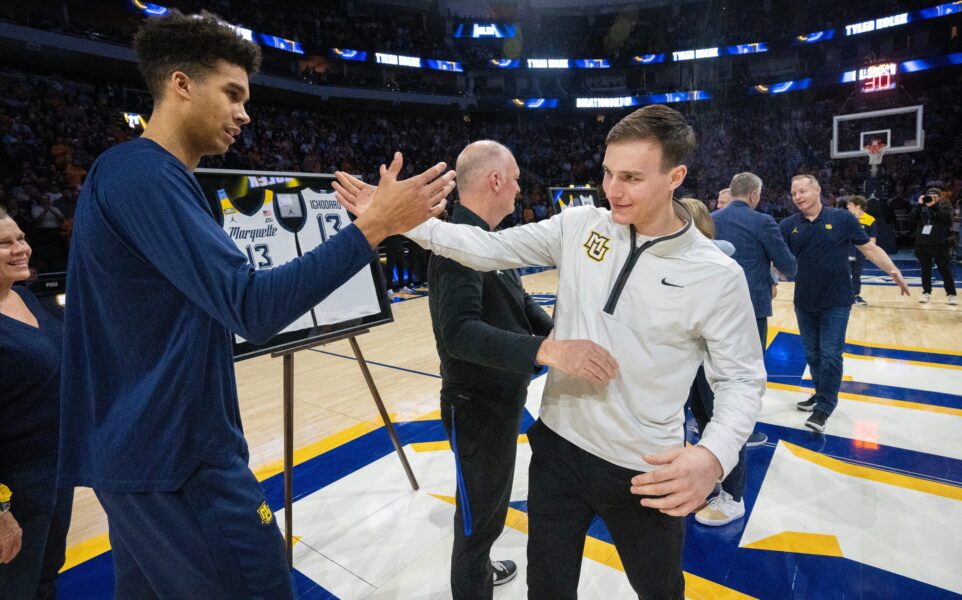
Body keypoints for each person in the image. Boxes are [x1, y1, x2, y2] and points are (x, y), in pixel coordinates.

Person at [58, 11, 455, 599]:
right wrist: (370, 229)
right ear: (181, 85)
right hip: (178, 458)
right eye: (233, 93)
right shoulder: (144, 174)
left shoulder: (130, 175)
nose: (246, 112)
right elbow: (253, 306)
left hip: (144, 456)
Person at [336, 105, 765, 599]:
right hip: (558, 450)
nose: (613, 190)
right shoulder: (581, 225)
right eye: (607, 173)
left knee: (661, 592)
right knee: (547, 589)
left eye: (631, 177)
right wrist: (397, 219)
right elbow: (480, 248)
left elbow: (740, 381)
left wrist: (712, 456)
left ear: (676, 176)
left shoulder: (716, 274)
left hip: (646, 467)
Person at [429, 140, 596, 598]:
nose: (520, 188)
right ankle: (473, 584)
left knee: (490, 508)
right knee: (477, 522)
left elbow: (519, 304)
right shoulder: (457, 244)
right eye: (517, 178)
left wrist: (560, 337)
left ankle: (481, 570)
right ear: (495, 180)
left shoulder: (487, 241)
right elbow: (459, 334)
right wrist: (545, 351)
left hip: (499, 400)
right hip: (475, 405)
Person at [699, 171, 797, 526]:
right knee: (742, 380)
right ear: (754, 195)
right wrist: (779, 272)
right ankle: (742, 433)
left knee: (709, 381)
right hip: (749, 308)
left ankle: (712, 440)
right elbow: (787, 264)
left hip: (703, 310)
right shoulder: (763, 220)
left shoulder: (710, 220)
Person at [780, 175, 910, 433]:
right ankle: (821, 394)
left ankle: (825, 407)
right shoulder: (787, 225)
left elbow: (870, 250)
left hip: (837, 300)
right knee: (813, 354)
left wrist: (893, 270)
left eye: (803, 191)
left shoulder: (842, 219)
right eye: (794, 193)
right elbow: (777, 259)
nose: (798, 196)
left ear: (818, 190)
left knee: (830, 354)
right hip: (804, 301)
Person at [0, 207, 73, 600]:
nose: (20, 249)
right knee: (14, 586)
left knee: (45, 575)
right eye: (4, 243)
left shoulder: (25, 296)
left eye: (21, 239)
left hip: (54, 472)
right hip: (14, 485)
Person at [908, 188, 957, 305]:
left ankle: (951, 294)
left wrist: (933, 206)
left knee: (944, 270)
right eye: (930, 196)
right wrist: (919, 205)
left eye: (935, 197)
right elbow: (911, 218)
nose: (932, 199)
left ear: (940, 198)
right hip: (922, 244)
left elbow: (947, 218)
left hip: (940, 244)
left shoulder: (945, 207)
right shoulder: (922, 208)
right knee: (925, 270)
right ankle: (926, 293)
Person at [846, 195, 876, 306]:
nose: (847, 207)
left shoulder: (870, 219)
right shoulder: (846, 217)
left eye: (850, 205)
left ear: (858, 206)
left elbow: (872, 237)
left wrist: (871, 252)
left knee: (856, 274)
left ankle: (855, 296)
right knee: (841, 274)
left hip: (860, 252)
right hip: (845, 250)